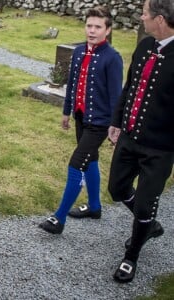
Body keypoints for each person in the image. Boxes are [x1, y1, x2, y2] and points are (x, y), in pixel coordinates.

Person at [39, 6, 123, 234]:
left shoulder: (112, 58)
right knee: (91, 160)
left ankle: (59, 218)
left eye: (98, 27)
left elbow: (117, 96)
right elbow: (73, 85)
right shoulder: (78, 52)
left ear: (107, 29)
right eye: (89, 25)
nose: (92, 31)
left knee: (77, 164)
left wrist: (116, 126)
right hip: (80, 117)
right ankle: (94, 207)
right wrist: (67, 111)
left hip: (100, 123)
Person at [108, 0, 174, 283]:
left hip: (160, 149)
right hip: (129, 138)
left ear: (160, 19)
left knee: (146, 206)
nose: (141, 17)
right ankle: (148, 226)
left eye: (145, 14)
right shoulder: (144, 46)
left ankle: (131, 256)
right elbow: (130, 87)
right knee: (117, 188)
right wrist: (116, 121)